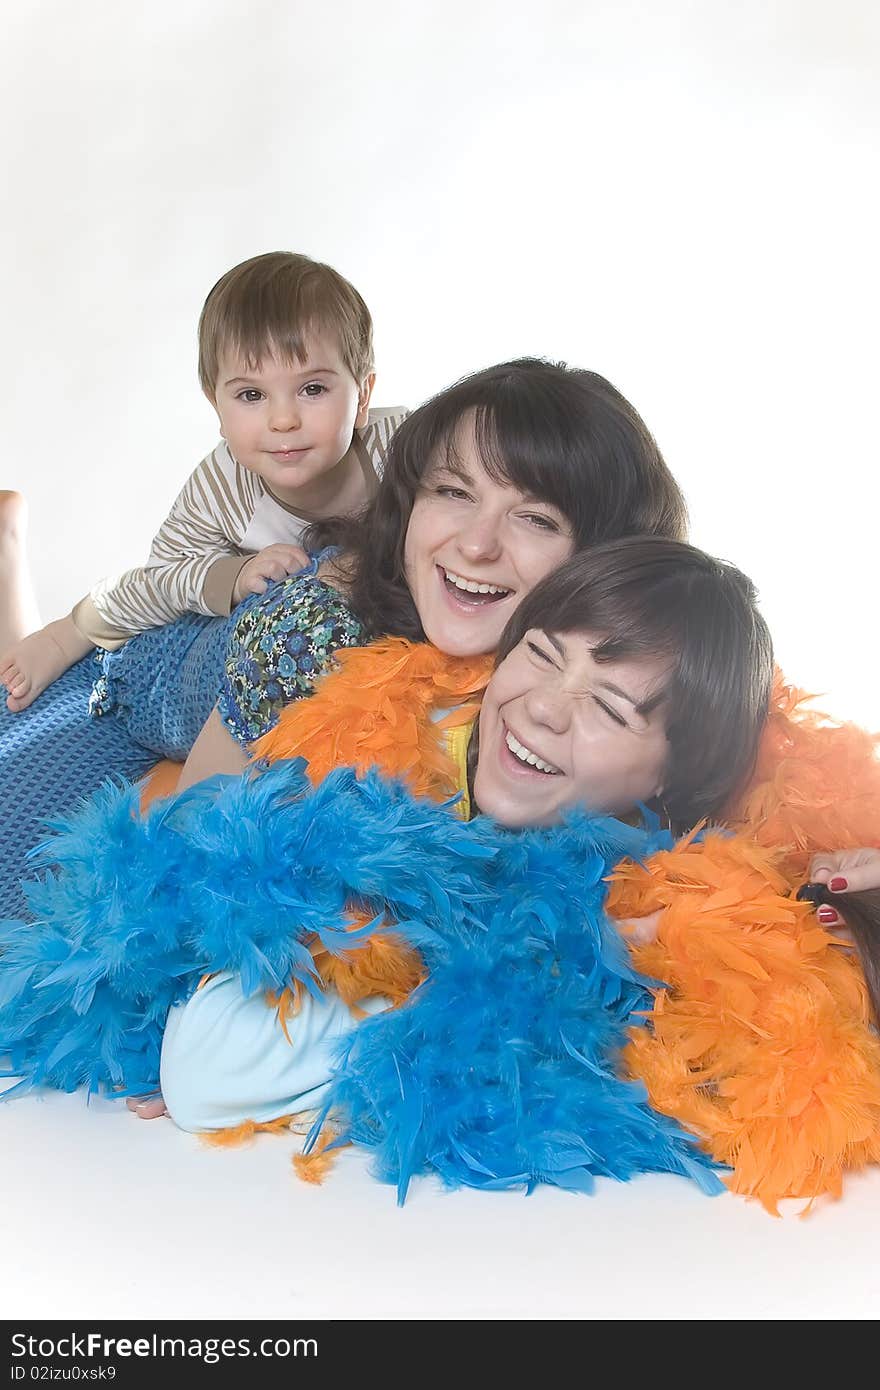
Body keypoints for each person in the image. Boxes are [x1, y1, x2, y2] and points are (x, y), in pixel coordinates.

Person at [0, 537, 776, 1201]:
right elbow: (210, 1069)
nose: (544, 707)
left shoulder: (688, 896)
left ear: (678, 779)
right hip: (119, 694)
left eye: (609, 707)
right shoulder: (385, 764)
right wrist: (502, 951)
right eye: (540, 655)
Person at [0, 358, 687, 917]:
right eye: (452, 491)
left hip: (196, 735)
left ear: (606, 559)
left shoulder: (609, 670)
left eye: (535, 518)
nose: (475, 544)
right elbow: (187, 866)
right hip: (115, 706)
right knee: (36, 906)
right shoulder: (313, 636)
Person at [0, 250, 404, 711]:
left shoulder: (402, 449)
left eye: (313, 389)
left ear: (364, 394)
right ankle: (22, 583)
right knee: (32, 701)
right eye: (251, 395)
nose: (284, 419)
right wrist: (229, 576)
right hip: (255, 648)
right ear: (217, 407)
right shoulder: (223, 486)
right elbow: (157, 581)